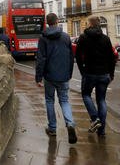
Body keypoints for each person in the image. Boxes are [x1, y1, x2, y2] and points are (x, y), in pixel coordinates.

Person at [35, 13, 77, 144]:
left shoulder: (43, 38)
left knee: (49, 100)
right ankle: (70, 124)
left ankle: (52, 128)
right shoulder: (65, 37)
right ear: (57, 21)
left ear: (47, 23)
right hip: (63, 75)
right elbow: (71, 57)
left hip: (49, 75)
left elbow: (41, 59)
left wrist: (38, 77)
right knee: (64, 100)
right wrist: (69, 74)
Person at [75, 16, 116, 137]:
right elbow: (111, 58)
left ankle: (94, 118)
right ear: (98, 24)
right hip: (104, 74)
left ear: (90, 24)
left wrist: (83, 71)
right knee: (101, 100)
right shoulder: (105, 38)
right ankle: (101, 131)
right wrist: (111, 74)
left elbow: (77, 56)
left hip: (89, 72)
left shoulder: (83, 38)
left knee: (86, 94)